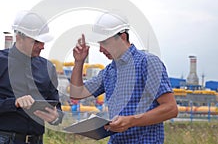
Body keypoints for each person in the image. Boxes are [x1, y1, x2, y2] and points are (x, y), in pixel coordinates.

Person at [70, 12, 178, 143]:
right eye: (99, 43)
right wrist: (79, 62)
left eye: (105, 42)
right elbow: (77, 93)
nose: (100, 49)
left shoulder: (147, 63)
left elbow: (171, 109)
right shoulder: (109, 71)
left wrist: (131, 121)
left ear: (122, 37)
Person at [0, 10, 63, 144]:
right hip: (3, 139)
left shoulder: (48, 68)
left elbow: (56, 106)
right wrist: (13, 103)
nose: (42, 46)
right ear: (19, 37)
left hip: (36, 140)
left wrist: (56, 116)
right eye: (36, 41)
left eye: (43, 41)